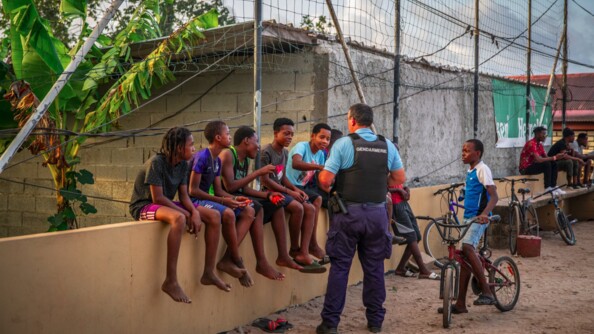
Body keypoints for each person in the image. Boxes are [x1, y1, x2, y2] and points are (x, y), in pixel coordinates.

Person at [316, 103, 405, 334]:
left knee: (340, 269)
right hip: (377, 215)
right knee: (375, 269)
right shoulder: (386, 145)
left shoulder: (344, 143)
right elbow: (398, 178)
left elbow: (325, 181)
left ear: (352, 120)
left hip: (348, 215)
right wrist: (378, 184)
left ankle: (330, 324)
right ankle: (375, 322)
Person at [129, 127, 231, 303]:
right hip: (144, 205)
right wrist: (186, 213)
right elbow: (158, 198)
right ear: (178, 147)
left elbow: (184, 195)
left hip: (164, 203)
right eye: (190, 145)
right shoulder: (157, 163)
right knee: (179, 219)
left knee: (213, 216)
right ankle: (171, 281)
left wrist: (194, 212)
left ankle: (208, 272)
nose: (194, 148)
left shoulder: (183, 165)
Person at [219, 126, 303, 274]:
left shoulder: (244, 160)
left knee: (277, 204)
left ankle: (282, 255)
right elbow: (231, 187)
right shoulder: (228, 154)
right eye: (256, 141)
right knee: (256, 207)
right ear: (246, 141)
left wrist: (269, 195)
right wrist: (259, 172)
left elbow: (244, 188)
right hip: (223, 199)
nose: (258, 146)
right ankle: (235, 259)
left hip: (239, 196)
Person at [189, 121, 256, 287]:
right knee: (226, 213)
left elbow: (219, 191)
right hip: (195, 201)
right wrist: (224, 201)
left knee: (248, 210)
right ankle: (236, 262)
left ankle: (228, 260)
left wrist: (234, 199)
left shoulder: (216, 161)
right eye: (228, 133)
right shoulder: (203, 157)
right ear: (218, 137)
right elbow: (193, 190)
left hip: (208, 199)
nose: (230, 136)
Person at [439, 139, 499, 315]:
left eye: (467, 151)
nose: (463, 154)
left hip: (478, 218)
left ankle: (487, 291)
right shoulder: (470, 171)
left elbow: (494, 196)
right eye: (462, 150)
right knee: (463, 258)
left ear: (477, 153)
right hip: (468, 217)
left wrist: (484, 214)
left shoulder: (482, 169)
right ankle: (460, 304)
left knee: (467, 247)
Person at [260, 118, 326, 273]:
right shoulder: (266, 152)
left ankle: (304, 251)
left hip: (283, 189)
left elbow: (282, 177)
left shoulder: (284, 152)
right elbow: (265, 180)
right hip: (268, 193)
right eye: (286, 133)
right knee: (298, 207)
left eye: (292, 134)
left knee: (309, 208)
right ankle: (295, 249)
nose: (290, 137)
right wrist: (290, 191)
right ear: (276, 133)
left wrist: (295, 190)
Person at [286, 122, 331, 260]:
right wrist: (319, 167)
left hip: (303, 187)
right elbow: (296, 163)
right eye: (321, 137)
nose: (324, 141)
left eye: (328, 139)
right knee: (310, 206)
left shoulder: (321, 155)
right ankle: (307, 246)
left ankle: (312, 243)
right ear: (313, 136)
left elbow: (319, 180)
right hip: (289, 185)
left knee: (318, 198)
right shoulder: (302, 147)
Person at [390, 184, 440, 280]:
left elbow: (396, 182)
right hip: (395, 205)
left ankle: (400, 268)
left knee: (417, 236)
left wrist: (405, 188)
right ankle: (423, 270)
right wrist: (399, 190)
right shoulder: (385, 169)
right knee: (412, 237)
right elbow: (384, 188)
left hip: (403, 203)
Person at [519, 126, 565, 191]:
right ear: (537, 134)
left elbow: (547, 157)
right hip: (525, 168)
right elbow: (539, 160)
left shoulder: (539, 145)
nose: (545, 136)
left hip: (533, 166)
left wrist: (557, 157)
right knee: (547, 164)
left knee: (553, 163)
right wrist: (554, 157)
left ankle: (553, 186)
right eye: (543, 134)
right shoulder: (531, 143)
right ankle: (547, 187)